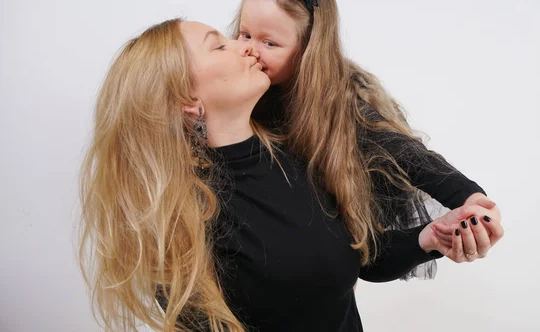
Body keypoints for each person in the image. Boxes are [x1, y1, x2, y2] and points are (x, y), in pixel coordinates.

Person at [78, 18, 501, 332]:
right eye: (219, 47)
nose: (245, 47)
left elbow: (348, 260)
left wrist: (430, 237)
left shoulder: (296, 149)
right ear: (187, 99)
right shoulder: (187, 220)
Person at [231, 0, 504, 274]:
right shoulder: (232, 88)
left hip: (313, 253)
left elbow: (409, 156)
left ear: (308, 50)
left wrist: (470, 198)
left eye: (269, 42)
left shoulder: (339, 103)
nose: (249, 49)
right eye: (244, 34)